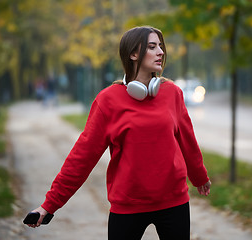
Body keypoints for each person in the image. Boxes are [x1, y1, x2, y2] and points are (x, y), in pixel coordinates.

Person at [25, 26, 211, 240]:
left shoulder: (173, 93)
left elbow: (187, 141)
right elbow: (82, 157)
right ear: (133, 54)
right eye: (152, 47)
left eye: (160, 46)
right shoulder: (108, 101)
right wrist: (49, 206)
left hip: (173, 201)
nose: (161, 51)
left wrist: (199, 176)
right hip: (127, 206)